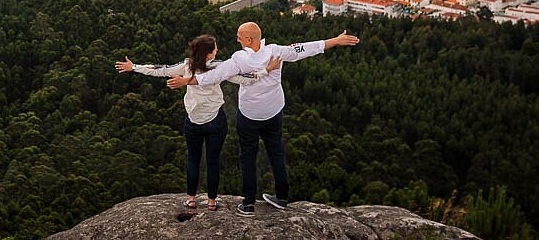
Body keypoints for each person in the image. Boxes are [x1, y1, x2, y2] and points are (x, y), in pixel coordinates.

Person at [168, 22, 359, 216]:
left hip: (249, 115)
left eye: (240, 37)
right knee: (276, 152)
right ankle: (282, 197)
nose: (237, 40)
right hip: (273, 112)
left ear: (249, 39)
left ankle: (248, 203)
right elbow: (305, 49)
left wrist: (186, 81)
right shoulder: (276, 51)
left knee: (248, 157)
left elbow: (214, 76)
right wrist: (335, 40)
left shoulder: (239, 58)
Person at [116, 34, 282, 211]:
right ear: (209, 54)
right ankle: (211, 202)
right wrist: (267, 70)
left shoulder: (187, 66)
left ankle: (191, 199)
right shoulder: (219, 67)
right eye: (215, 48)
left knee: (193, 160)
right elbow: (246, 78)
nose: (217, 50)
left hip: (193, 121)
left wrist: (134, 67)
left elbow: (160, 69)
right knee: (213, 162)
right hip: (216, 121)